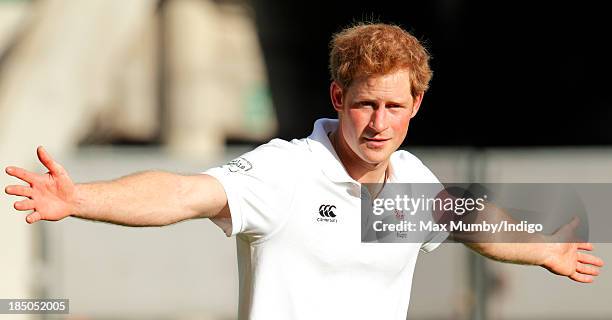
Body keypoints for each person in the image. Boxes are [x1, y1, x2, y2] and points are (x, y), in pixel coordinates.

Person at [4, 23, 604, 320]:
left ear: (415, 105)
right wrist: (80, 197)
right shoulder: (286, 172)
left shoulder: (412, 183)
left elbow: (471, 217)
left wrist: (541, 249)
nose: (378, 122)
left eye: (394, 106)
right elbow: (184, 193)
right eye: (365, 103)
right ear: (338, 97)